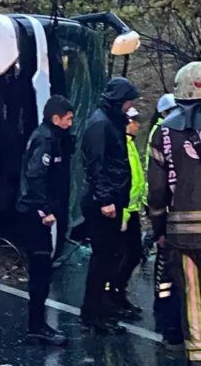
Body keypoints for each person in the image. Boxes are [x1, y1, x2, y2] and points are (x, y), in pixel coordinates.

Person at [147, 61, 201, 364]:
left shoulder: (163, 132)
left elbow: (157, 190)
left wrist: (158, 228)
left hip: (182, 234)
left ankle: (197, 353)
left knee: (192, 295)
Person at [80, 77, 140, 334]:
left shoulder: (109, 121)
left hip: (113, 200)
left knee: (110, 257)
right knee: (102, 259)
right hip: (104, 203)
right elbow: (96, 164)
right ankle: (93, 312)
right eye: (128, 101)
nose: (131, 105)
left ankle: (101, 308)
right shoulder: (101, 124)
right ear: (119, 100)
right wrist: (105, 199)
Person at [15, 94, 74, 346]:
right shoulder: (45, 139)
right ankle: (36, 326)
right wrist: (45, 210)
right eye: (68, 119)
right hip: (37, 215)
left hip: (43, 212)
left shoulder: (54, 138)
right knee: (40, 270)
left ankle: (37, 323)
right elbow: (36, 176)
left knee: (44, 269)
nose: (71, 123)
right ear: (56, 118)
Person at [145, 94, 184, 349]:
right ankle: (168, 324)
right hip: (173, 219)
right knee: (169, 279)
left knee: (172, 278)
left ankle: (171, 327)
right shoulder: (166, 134)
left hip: (173, 220)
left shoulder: (166, 134)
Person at [112, 106, 144, 320]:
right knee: (124, 256)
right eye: (133, 120)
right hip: (124, 212)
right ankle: (114, 296)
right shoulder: (121, 145)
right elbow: (121, 181)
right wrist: (123, 215)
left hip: (132, 210)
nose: (137, 124)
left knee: (134, 254)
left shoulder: (130, 145)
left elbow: (137, 179)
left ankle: (119, 294)